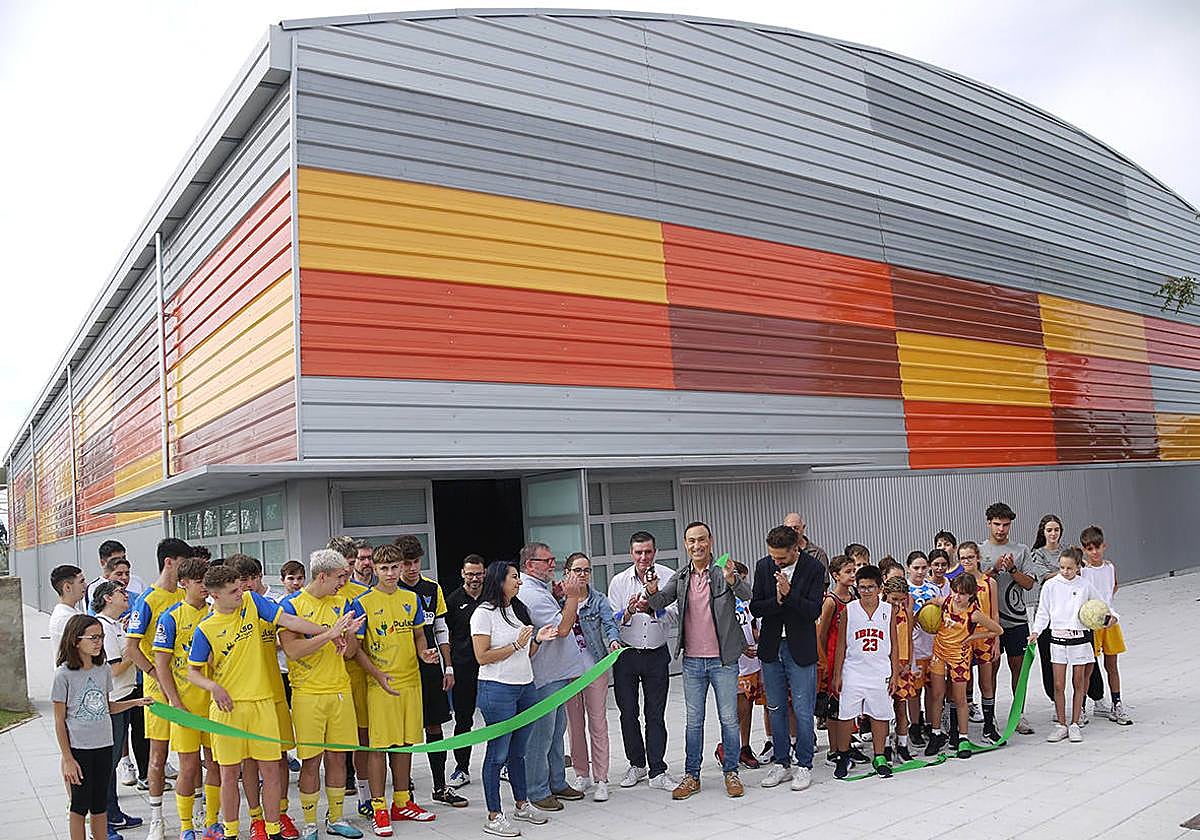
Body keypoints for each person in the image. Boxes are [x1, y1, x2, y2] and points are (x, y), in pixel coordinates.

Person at [187, 564, 345, 840]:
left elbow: (291, 622)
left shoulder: (251, 601)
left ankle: (273, 829)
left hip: (262, 704)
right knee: (229, 774)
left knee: (271, 769)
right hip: (229, 710)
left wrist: (328, 632)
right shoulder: (206, 629)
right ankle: (232, 831)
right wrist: (213, 686)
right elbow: (192, 672)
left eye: (241, 586)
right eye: (233, 590)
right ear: (215, 595)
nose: (241, 592)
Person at [646, 522, 753, 801]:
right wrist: (650, 590)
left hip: (723, 660)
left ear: (711, 541)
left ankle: (732, 772)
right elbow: (659, 603)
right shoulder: (681, 577)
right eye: (692, 541)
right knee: (694, 721)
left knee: (729, 720)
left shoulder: (722, 573)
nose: (697, 546)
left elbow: (747, 595)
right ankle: (692, 775)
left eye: (702, 540)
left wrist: (734, 580)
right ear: (685, 544)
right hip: (692, 662)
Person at [349, 543, 438, 836]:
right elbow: (356, 650)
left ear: (402, 568)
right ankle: (378, 807)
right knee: (378, 749)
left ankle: (402, 801)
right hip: (379, 685)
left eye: (394, 567)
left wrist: (424, 654)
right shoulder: (362, 602)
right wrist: (377, 673)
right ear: (374, 569)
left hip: (410, 682)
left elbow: (419, 637)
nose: (390, 573)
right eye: (384, 568)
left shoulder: (412, 599)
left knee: (405, 744)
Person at [279, 549, 365, 840]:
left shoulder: (343, 602)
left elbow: (351, 653)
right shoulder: (291, 605)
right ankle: (310, 823)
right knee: (311, 760)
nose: (345, 581)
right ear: (322, 576)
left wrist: (349, 633)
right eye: (341, 577)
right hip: (308, 693)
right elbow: (292, 650)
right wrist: (329, 634)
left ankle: (337, 818)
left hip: (339, 690)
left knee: (338, 758)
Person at [471, 560, 557, 837]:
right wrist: (517, 644)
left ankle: (522, 803)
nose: (519, 582)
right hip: (497, 689)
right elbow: (481, 656)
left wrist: (537, 640)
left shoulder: (518, 609)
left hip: (525, 686)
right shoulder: (483, 614)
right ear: (499, 581)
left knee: (519, 751)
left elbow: (525, 654)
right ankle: (494, 815)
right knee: (497, 754)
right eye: (515, 577)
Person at [53, 614, 154, 840]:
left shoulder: (102, 671)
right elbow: (59, 720)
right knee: (79, 806)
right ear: (75, 640)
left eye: (101, 637)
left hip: (104, 747)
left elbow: (106, 706)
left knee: (100, 805)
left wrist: (137, 702)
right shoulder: (63, 675)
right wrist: (68, 759)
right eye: (93, 638)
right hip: (79, 750)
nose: (99, 642)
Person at [393, 535, 467, 809]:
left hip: (430, 666)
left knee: (434, 725)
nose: (411, 568)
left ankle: (440, 786)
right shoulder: (391, 590)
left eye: (415, 562)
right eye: (405, 563)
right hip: (400, 669)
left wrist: (447, 665)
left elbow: (440, 628)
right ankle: (404, 790)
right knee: (404, 731)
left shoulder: (431, 588)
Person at [750, 524, 824, 792]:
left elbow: (813, 610)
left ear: (796, 548)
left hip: (800, 648)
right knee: (776, 708)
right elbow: (756, 606)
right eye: (773, 556)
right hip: (771, 647)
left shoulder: (814, 568)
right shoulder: (762, 567)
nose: (776, 561)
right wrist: (778, 600)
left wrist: (790, 594)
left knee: (804, 710)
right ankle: (781, 762)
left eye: (781, 557)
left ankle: (804, 764)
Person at [151, 557, 222, 840]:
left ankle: (212, 821)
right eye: (198, 582)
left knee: (215, 763)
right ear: (183, 583)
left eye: (207, 581)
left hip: (215, 705)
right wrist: (174, 702)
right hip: (186, 705)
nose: (204, 587)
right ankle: (185, 826)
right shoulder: (170, 617)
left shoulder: (216, 613)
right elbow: (161, 665)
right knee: (189, 767)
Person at [126, 538, 189, 840]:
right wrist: (153, 671)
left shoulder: (184, 595)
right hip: (158, 690)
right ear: (169, 562)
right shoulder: (147, 599)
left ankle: (195, 815)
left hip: (187, 687)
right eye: (183, 563)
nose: (187, 570)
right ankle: (157, 818)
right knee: (158, 756)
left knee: (191, 755)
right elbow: (132, 648)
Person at [232, 555, 299, 839]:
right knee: (248, 760)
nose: (247, 586)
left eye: (251, 578)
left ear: (260, 576)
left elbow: (290, 639)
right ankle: (256, 817)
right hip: (243, 698)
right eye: (241, 581)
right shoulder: (228, 610)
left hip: (274, 691)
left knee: (280, 757)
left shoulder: (273, 606)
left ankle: (281, 812)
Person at [607, 531, 678, 791]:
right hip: (626, 654)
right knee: (628, 713)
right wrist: (629, 610)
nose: (644, 557)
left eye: (648, 552)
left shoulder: (669, 576)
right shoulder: (618, 581)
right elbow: (612, 619)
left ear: (655, 552)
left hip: (656, 653)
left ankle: (657, 769)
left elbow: (675, 614)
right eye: (639, 552)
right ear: (631, 553)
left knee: (655, 714)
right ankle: (637, 764)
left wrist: (653, 606)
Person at [518, 543, 587, 811]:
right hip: (544, 676)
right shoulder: (531, 594)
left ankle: (557, 781)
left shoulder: (540, 590)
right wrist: (572, 596)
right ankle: (537, 789)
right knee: (542, 736)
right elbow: (563, 628)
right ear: (529, 565)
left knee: (557, 731)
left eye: (553, 559)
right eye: (546, 561)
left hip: (556, 673)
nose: (552, 565)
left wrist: (561, 598)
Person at [1028, 547, 1114, 743]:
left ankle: (1075, 723)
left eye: (1069, 568)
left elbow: (1102, 606)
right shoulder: (1051, 585)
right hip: (1057, 640)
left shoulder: (1085, 585)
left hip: (1080, 641)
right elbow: (1043, 612)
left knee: (1079, 682)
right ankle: (1061, 724)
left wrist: (1112, 618)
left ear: (1078, 567)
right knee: (1058, 684)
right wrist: (1036, 632)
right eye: (1062, 567)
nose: (1065, 572)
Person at [561, 552, 621, 801]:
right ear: (567, 573)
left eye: (586, 570)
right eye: (577, 570)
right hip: (569, 672)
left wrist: (614, 640)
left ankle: (601, 778)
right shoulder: (560, 600)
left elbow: (609, 624)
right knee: (575, 726)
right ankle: (581, 773)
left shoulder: (598, 600)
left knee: (598, 724)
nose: (582, 575)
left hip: (595, 668)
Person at [830, 565, 898, 779]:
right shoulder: (849, 610)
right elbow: (841, 644)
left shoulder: (889, 610)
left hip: (879, 670)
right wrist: (837, 674)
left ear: (880, 588)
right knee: (846, 716)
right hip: (854, 670)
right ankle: (842, 756)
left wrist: (895, 674)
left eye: (870, 587)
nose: (866, 591)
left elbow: (895, 645)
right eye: (862, 587)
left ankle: (880, 756)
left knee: (879, 715)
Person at [923, 575, 1002, 760]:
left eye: (962, 594)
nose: (957, 596)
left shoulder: (974, 613)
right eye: (955, 591)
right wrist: (925, 617)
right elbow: (931, 601)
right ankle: (935, 734)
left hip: (959, 656)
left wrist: (972, 637)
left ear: (971, 594)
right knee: (937, 695)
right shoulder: (947, 601)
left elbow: (998, 630)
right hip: (940, 652)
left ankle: (963, 738)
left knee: (960, 698)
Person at [978, 503, 1036, 735]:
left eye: (1006, 524)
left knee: (1018, 669)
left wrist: (1012, 569)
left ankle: (1018, 715)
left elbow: (1029, 584)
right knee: (989, 668)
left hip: (1016, 620)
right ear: (988, 523)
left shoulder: (1021, 550)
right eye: (997, 524)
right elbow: (972, 584)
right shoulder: (979, 551)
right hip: (988, 622)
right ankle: (989, 718)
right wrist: (991, 572)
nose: (1001, 529)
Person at [92, 581, 144, 835]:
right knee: (107, 763)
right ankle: (106, 817)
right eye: (120, 593)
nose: (126, 595)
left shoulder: (114, 626)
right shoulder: (102, 627)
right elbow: (114, 668)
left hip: (124, 696)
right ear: (107, 599)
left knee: (111, 762)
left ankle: (113, 812)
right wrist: (134, 650)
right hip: (113, 701)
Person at [328, 537, 374, 811]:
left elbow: (358, 646)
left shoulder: (361, 595)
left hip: (357, 676)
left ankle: (365, 796)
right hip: (324, 682)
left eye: (349, 568)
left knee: (363, 739)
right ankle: (332, 807)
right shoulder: (316, 596)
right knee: (330, 748)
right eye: (340, 570)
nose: (344, 576)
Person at [1080, 525, 1133, 726]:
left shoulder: (1110, 567)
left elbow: (1114, 586)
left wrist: (1109, 610)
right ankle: (1082, 706)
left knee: (1112, 665)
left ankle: (1116, 703)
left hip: (1110, 622)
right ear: (1084, 550)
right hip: (1090, 625)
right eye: (1089, 549)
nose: (1094, 552)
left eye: (1097, 548)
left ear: (1104, 546)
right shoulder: (1083, 571)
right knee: (1087, 667)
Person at [815, 555, 862, 767]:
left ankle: (847, 744)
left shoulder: (853, 596)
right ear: (835, 575)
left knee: (848, 704)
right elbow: (821, 634)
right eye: (848, 572)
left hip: (850, 658)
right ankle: (834, 750)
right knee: (834, 706)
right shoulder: (830, 601)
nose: (853, 575)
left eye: (854, 571)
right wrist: (824, 663)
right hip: (834, 659)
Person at [444, 554, 486, 790]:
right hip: (463, 667)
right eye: (469, 574)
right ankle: (462, 768)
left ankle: (504, 765)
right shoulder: (452, 600)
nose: (474, 579)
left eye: (478, 574)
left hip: (491, 667)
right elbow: (446, 637)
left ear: (485, 574)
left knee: (498, 718)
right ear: (462, 574)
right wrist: (448, 666)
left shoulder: (493, 598)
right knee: (463, 720)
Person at [959, 541, 1001, 743]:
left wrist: (997, 641)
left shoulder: (988, 582)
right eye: (963, 558)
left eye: (970, 557)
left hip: (984, 638)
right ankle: (958, 729)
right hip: (965, 639)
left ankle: (989, 726)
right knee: (962, 682)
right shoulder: (959, 584)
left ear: (977, 557)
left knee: (986, 682)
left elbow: (994, 613)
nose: (967, 561)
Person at [725, 560, 763, 772]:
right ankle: (727, 745)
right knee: (735, 709)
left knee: (747, 706)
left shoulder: (747, 600)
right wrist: (740, 647)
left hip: (752, 662)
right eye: (739, 577)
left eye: (744, 578)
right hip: (734, 661)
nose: (742, 581)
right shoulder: (723, 600)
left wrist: (758, 637)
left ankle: (744, 746)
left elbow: (753, 625)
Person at [1029, 515, 1065, 703]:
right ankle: (1055, 699)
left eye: (1056, 530)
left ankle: (1089, 698)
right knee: (1048, 658)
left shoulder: (1067, 551)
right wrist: (1068, 571)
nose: (1053, 533)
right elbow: (1043, 576)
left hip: (1068, 611)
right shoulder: (1037, 554)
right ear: (1043, 532)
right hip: (1047, 612)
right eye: (1049, 530)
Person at [905, 551, 939, 746]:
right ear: (908, 567)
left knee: (932, 689)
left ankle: (928, 723)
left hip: (933, 647)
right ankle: (914, 725)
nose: (920, 571)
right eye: (916, 568)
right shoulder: (905, 590)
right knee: (914, 692)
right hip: (915, 649)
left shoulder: (933, 588)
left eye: (923, 568)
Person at [883, 576, 916, 763]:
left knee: (901, 707)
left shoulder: (906, 612)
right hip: (886, 666)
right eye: (893, 598)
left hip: (903, 665)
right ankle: (886, 745)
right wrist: (891, 665)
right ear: (885, 594)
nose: (896, 603)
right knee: (885, 710)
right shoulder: (881, 613)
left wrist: (909, 662)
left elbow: (909, 638)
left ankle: (902, 745)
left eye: (900, 599)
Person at [87, 541, 147, 610]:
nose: (121, 562)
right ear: (103, 563)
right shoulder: (93, 587)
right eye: (115, 560)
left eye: (124, 558)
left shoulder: (137, 581)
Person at [49, 564, 86, 654]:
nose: (85, 585)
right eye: (81, 582)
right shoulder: (65, 618)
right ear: (67, 587)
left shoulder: (73, 611)